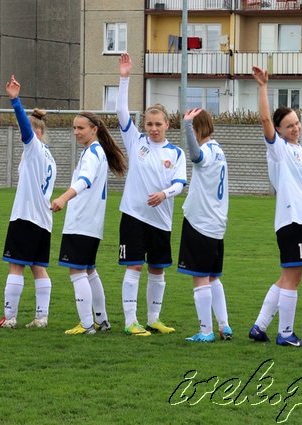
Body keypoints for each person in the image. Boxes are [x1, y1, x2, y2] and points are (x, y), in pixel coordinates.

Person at [247, 66, 302, 348]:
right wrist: (263, 86)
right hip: (290, 220)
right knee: (293, 277)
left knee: (287, 276)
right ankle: (286, 333)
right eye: (289, 125)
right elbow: (265, 118)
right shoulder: (279, 150)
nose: (295, 128)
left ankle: (259, 327)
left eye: (297, 123)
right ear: (279, 130)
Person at [115, 52, 187, 337]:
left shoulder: (176, 153)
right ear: (143, 125)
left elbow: (180, 185)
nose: (153, 128)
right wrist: (124, 78)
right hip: (134, 215)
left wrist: (164, 194)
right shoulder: (136, 142)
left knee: (158, 269)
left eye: (158, 124)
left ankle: (154, 319)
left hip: (161, 220)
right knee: (134, 266)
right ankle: (130, 321)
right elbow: (121, 112)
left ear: (168, 124)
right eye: (149, 124)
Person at [51, 110, 128, 335]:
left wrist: (63, 198)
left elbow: (84, 180)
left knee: (77, 271)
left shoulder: (93, 153)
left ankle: (86, 325)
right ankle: (101, 320)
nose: (76, 132)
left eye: (81, 128)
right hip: (92, 222)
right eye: (74, 128)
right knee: (89, 270)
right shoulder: (95, 151)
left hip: (82, 221)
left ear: (94, 129)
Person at [0, 75, 57, 329]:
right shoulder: (50, 157)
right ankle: (41, 318)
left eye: (28, 132)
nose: (22, 135)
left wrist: (15, 100)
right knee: (38, 267)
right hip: (43, 220)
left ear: (38, 133)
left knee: (16, 266)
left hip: (25, 217)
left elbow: (24, 125)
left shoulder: (34, 147)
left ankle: (9, 318)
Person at [178, 108, 232, 343]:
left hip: (200, 222)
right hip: (217, 223)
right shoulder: (220, 150)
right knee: (213, 277)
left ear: (197, 127)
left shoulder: (208, 151)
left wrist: (187, 126)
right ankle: (224, 326)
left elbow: (195, 156)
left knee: (200, 277)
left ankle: (206, 330)